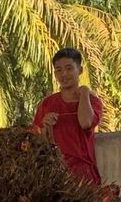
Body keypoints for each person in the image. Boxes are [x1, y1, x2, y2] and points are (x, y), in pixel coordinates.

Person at [32, 47, 105, 185]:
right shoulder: (48, 103)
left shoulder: (92, 102)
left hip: (84, 174)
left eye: (69, 68)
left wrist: (84, 93)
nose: (64, 74)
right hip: (55, 173)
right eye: (58, 70)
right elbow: (37, 141)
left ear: (80, 70)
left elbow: (85, 123)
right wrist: (46, 125)